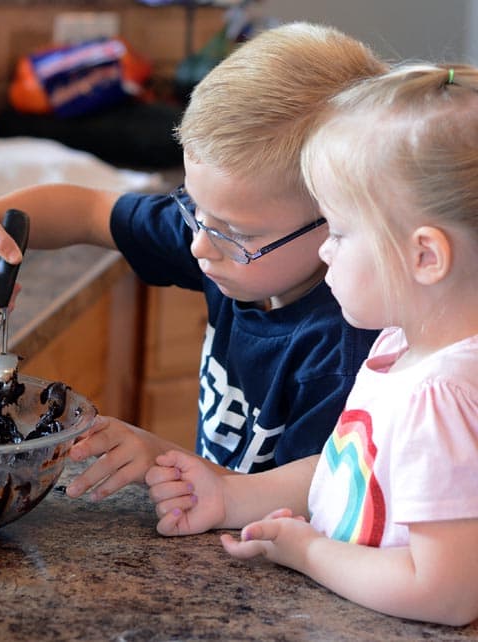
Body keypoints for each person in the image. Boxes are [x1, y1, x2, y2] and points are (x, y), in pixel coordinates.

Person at [0, 22, 385, 501]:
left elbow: (318, 504)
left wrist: (163, 460)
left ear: (340, 220)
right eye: (194, 207)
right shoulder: (224, 242)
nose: (199, 245)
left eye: (238, 233)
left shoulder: (346, 351)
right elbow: (88, 212)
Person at [145, 62, 478, 626]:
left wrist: (310, 553)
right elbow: (359, 467)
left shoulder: (441, 397)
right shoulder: (404, 346)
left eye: (341, 232)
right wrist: (231, 498)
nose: (325, 251)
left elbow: (445, 593)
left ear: (425, 256)